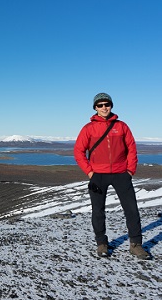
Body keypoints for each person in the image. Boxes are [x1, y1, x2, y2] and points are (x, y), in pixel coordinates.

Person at [74, 93, 150, 259]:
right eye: (100, 105)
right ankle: (102, 244)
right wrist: (90, 172)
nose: (104, 107)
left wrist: (129, 171)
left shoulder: (122, 126)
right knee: (98, 211)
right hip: (98, 175)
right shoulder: (88, 128)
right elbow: (78, 151)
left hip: (121, 174)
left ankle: (136, 245)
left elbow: (131, 149)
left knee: (131, 209)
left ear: (111, 105)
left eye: (106, 104)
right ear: (95, 107)